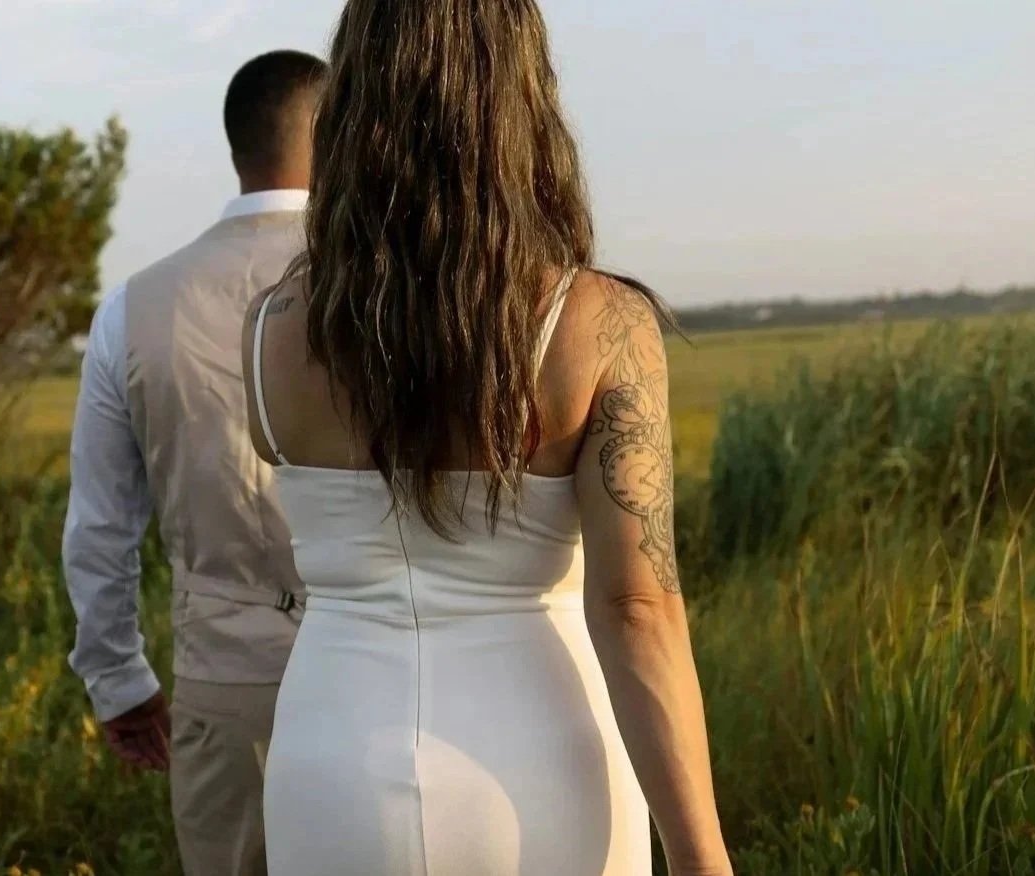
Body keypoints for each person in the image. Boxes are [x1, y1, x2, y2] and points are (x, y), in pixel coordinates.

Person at [243, 1, 732, 873]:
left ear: (351, 102)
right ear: (520, 100)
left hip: (330, 764)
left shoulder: (268, 330)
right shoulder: (597, 325)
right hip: (539, 762)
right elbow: (636, 610)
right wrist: (703, 858)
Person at [62, 49, 328, 875]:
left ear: (237, 148)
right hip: (390, 672)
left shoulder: (133, 309)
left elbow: (100, 528)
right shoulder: (397, 282)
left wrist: (118, 679)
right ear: (344, 135)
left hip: (224, 679)